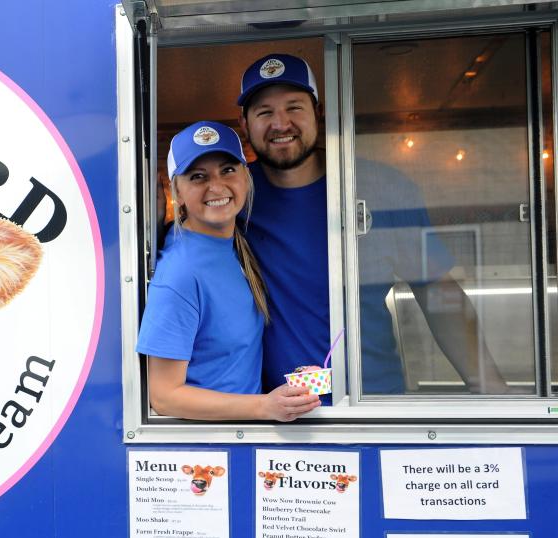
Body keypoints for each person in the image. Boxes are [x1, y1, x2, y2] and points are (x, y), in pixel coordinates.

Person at [235, 53, 508, 396]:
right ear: (244, 125)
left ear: (318, 112)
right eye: (264, 112)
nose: (281, 123)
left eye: (294, 107)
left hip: (373, 402)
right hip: (273, 412)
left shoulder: (379, 186)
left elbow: (437, 291)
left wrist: (489, 385)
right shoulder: (235, 198)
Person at [136, 120, 320, 421]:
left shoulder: (236, 246)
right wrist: (264, 406)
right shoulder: (180, 273)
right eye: (198, 176)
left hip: (242, 440)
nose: (217, 186)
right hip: (208, 450)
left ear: (246, 178)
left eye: (228, 170)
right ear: (177, 193)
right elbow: (165, 396)